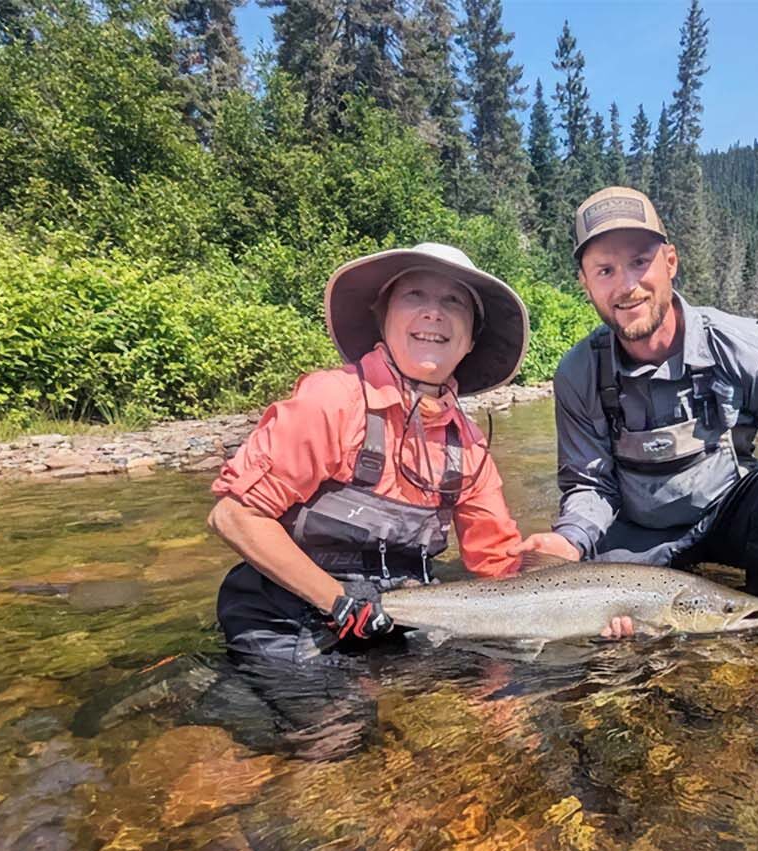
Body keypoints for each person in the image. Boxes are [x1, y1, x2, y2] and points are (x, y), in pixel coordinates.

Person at [515, 187, 758, 608]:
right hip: (639, 543)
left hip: (730, 526)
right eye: (605, 271)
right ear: (584, 283)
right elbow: (590, 482)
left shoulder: (741, 347)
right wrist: (570, 540)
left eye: (640, 262)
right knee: (589, 614)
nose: (627, 286)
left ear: (670, 262)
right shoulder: (577, 372)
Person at [207, 242, 535, 667]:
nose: (434, 312)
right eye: (414, 295)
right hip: (282, 621)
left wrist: (574, 591)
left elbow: (496, 565)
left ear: (471, 339)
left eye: (453, 301)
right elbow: (234, 516)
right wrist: (339, 602)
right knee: (340, 732)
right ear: (383, 320)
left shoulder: (469, 446)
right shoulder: (333, 400)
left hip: (387, 625)